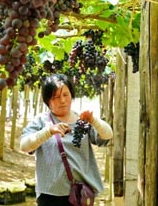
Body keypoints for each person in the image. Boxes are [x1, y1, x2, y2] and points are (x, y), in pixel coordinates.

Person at [20, 74, 113, 206]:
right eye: (56, 97)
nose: (62, 100)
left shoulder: (82, 121)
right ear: (47, 101)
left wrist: (94, 120)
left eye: (65, 95)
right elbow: (25, 146)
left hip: (80, 193)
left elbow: (108, 135)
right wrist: (48, 131)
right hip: (50, 195)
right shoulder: (41, 121)